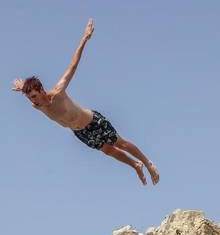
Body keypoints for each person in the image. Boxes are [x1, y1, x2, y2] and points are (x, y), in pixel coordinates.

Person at [12, 18, 159, 186]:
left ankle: (148, 163)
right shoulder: (36, 106)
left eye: (34, 96)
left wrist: (84, 38)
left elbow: (72, 66)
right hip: (80, 132)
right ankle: (135, 165)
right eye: (30, 98)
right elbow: (29, 91)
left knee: (121, 143)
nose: (33, 101)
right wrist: (22, 86)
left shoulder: (58, 92)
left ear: (42, 90)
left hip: (93, 121)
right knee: (108, 151)